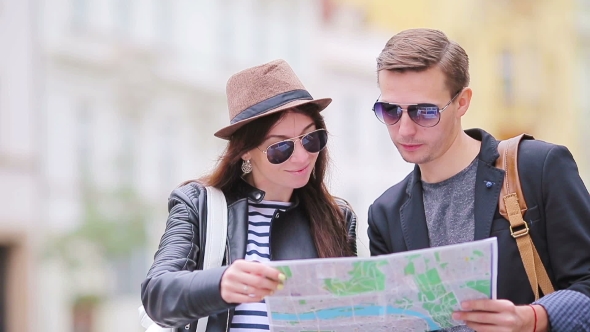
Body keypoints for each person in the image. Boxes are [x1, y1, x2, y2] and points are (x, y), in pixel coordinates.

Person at [367, 28, 590, 332]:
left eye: (425, 111)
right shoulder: (385, 214)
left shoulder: (538, 168)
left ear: (462, 102)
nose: (404, 129)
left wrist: (534, 318)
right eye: (390, 110)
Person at [141, 59, 357, 332]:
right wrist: (220, 284)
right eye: (280, 148)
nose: (302, 156)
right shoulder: (199, 205)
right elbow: (157, 296)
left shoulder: (338, 216)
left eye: (311, 139)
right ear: (245, 151)